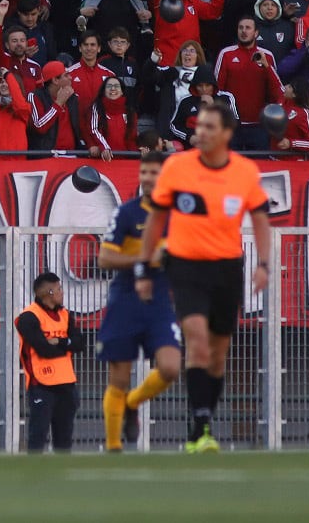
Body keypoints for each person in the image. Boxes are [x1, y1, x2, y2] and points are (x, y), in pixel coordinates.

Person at [138, 102, 271, 452]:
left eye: (211, 127)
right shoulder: (177, 167)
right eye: (199, 126)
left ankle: (204, 424)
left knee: (217, 353)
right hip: (185, 265)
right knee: (195, 340)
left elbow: (259, 217)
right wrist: (144, 266)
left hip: (227, 267)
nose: (202, 132)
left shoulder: (244, 171)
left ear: (227, 133)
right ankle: (199, 427)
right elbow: (156, 217)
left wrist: (264, 263)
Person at [95, 150, 182, 452]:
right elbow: (104, 258)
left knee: (171, 367)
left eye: (153, 173)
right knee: (118, 375)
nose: (147, 178)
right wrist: (146, 259)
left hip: (159, 302)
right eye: (143, 172)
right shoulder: (127, 213)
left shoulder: (178, 216)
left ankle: (133, 403)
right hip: (125, 299)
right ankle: (113, 446)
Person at [15, 271, 82, 453]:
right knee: (38, 435)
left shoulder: (66, 315)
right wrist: (66, 345)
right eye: (59, 289)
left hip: (67, 383)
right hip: (41, 384)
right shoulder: (28, 317)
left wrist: (60, 342)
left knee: (64, 439)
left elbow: (80, 344)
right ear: (49, 293)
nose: (62, 292)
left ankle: (61, 476)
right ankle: (34, 475)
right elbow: (43, 349)